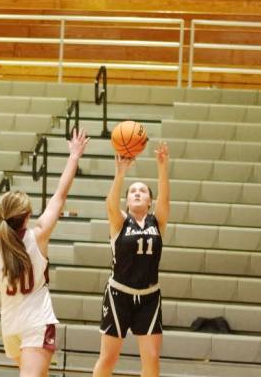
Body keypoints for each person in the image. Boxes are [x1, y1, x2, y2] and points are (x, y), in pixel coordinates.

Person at [0, 128, 89, 377]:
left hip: (11, 325)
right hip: (35, 322)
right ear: (27, 216)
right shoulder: (39, 234)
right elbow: (60, 195)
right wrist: (74, 156)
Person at [93, 141, 170, 377]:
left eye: (143, 191)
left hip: (149, 297)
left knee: (152, 360)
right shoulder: (119, 222)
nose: (137, 193)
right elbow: (110, 204)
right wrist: (121, 174)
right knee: (109, 357)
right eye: (132, 191)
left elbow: (165, 200)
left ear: (149, 201)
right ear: (127, 201)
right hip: (119, 295)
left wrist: (162, 167)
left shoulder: (157, 222)